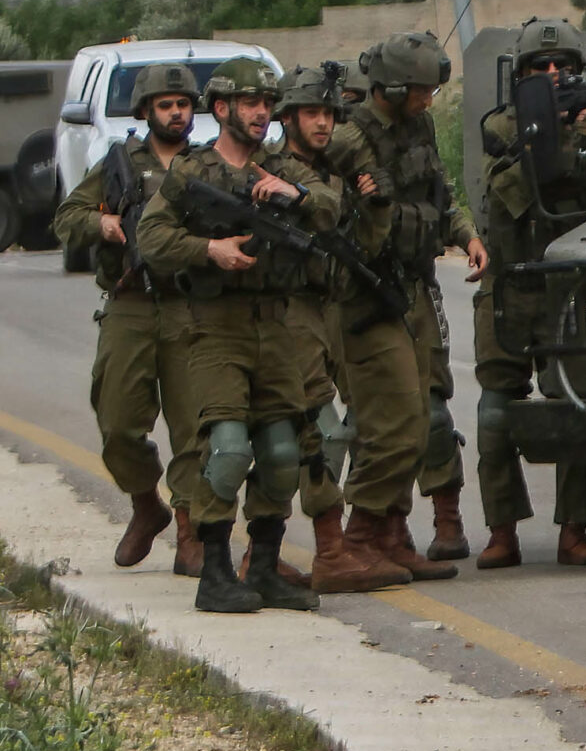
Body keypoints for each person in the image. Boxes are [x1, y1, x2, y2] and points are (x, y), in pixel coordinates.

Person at [135, 59, 341, 615]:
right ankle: (216, 574)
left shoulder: (282, 165)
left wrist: (293, 196)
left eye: (267, 104)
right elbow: (150, 235)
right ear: (221, 109)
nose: (262, 113)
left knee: (279, 454)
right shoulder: (192, 170)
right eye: (250, 103)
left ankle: (267, 569)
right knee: (227, 450)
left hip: (275, 327)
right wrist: (209, 251)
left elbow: (330, 206)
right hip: (215, 329)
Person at [473, 19, 586, 569]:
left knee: (576, 403)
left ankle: (574, 528)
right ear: (521, 78)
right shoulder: (504, 126)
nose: (553, 76)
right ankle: (502, 530)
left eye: (563, 68)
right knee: (495, 413)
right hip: (514, 285)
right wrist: (545, 134)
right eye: (540, 70)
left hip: (573, 288)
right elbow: (512, 194)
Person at [51, 62, 208, 572]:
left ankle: (191, 532)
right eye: (166, 105)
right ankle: (146, 504)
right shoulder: (117, 163)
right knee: (117, 422)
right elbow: (66, 219)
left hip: (188, 307)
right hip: (130, 304)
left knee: (194, 429)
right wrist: (104, 222)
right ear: (146, 111)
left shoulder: (204, 165)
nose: (177, 113)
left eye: (183, 104)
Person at [341, 31, 486, 578]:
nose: (430, 100)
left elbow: (439, 195)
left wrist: (466, 235)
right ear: (394, 87)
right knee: (382, 416)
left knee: (429, 409)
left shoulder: (419, 125)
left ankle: (416, 527)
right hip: (368, 289)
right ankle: (370, 534)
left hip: (416, 282)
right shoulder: (350, 137)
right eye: (422, 90)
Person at [274, 66, 411, 593]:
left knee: (350, 428)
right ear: (289, 118)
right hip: (293, 312)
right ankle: (325, 551)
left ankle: (343, 544)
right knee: (310, 433)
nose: (323, 123)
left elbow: (364, 247)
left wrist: (376, 204)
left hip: (334, 308)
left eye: (329, 113)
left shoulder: (334, 171)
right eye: (311, 113)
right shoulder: (274, 170)